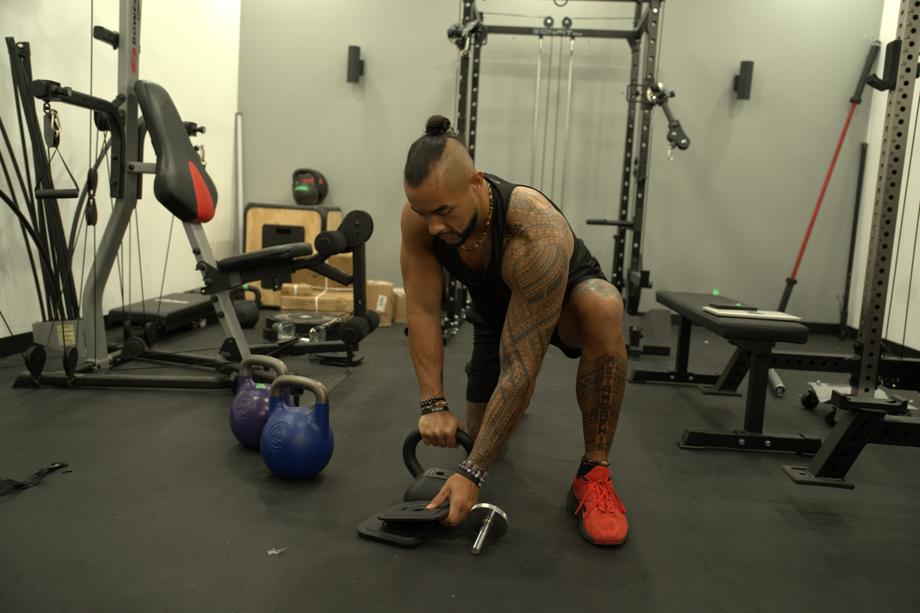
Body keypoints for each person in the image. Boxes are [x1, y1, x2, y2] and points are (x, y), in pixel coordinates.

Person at [399, 115, 629, 546]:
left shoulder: (533, 232)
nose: (433, 227)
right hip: (494, 315)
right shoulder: (422, 220)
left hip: (564, 306)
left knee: (603, 306)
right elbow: (423, 311)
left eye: (443, 212)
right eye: (422, 212)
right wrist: (433, 403)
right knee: (486, 435)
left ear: (475, 182)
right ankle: (502, 419)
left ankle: (594, 473)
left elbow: (524, 363)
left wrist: (471, 471)